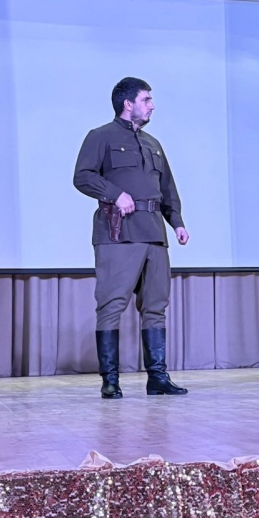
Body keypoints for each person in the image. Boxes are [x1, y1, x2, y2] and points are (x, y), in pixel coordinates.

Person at [73, 77, 190, 399]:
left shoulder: (153, 143)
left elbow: (167, 188)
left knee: (155, 306)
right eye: (146, 100)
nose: (152, 106)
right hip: (119, 234)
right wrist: (114, 194)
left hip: (154, 234)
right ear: (128, 104)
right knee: (111, 305)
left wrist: (177, 222)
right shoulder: (101, 137)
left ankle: (158, 377)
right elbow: (82, 176)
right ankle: (110, 381)